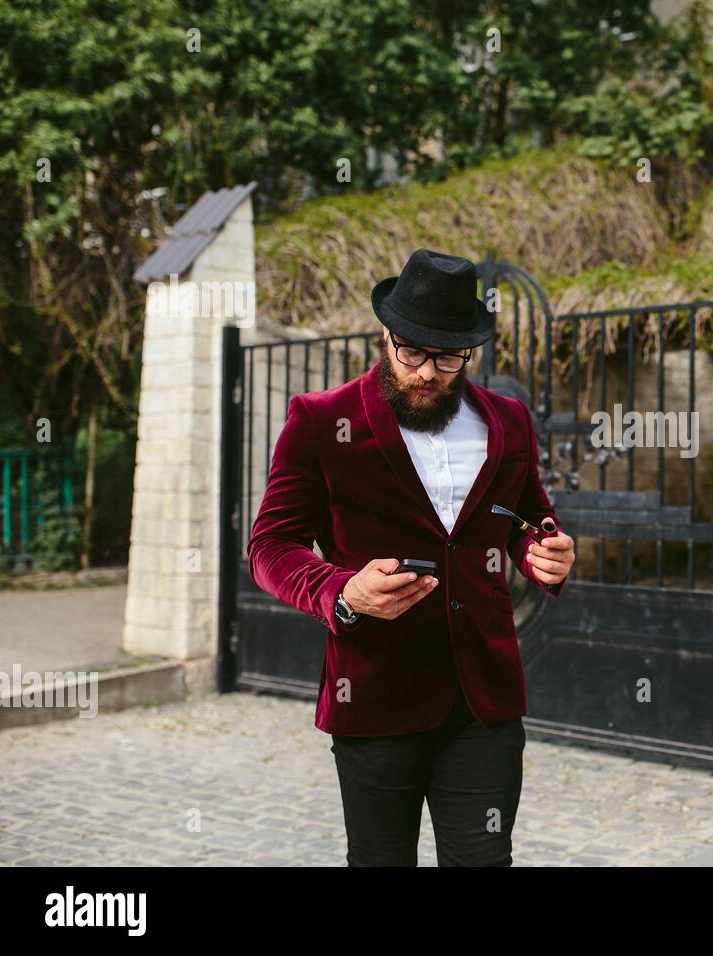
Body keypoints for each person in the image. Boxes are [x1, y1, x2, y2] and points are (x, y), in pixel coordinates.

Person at [247, 248, 576, 866]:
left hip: (485, 699)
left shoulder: (508, 420)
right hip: (375, 693)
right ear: (386, 335)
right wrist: (340, 591)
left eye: (448, 357)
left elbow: (525, 521)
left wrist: (545, 552)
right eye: (413, 352)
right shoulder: (321, 422)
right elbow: (270, 546)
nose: (428, 372)